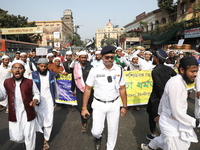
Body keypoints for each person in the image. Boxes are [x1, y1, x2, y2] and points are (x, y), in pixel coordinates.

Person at [141, 56, 199, 150]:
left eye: (196, 71)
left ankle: (148, 147)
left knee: (163, 140)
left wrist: (160, 114)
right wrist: (196, 122)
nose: (195, 74)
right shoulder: (176, 84)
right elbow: (176, 112)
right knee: (173, 144)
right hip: (172, 125)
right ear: (182, 70)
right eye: (192, 71)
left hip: (173, 121)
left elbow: (164, 99)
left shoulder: (180, 81)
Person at [81, 45, 127, 150]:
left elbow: (122, 88)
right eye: (107, 57)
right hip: (98, 104)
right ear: (102, 57)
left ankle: (110, 148)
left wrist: (124, 106)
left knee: (113, 131)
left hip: (114, 104)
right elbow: (88, 89)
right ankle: (98, 137)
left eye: (112, 57)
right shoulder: (95, 70)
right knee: (95, 131)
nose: (110, 59)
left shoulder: (119, 70)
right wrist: (84, 108)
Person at [0, 60, 41, 150]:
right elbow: (2, 96)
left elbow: (37, 93)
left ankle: (29, 147)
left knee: (29, 135)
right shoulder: (6, 82)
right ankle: (25, 143)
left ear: (24, 70)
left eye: (20, 68)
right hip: (14, 113)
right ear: (11, 70)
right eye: (15, 68)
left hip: (28, 113)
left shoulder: (30, 82)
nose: (17, 70)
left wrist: (35, 100)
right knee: (16, 137)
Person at [146, 50, 177, 141]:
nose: (153, 58)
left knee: (153, 116)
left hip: (157, 97)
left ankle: (154, 135)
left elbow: (159, 86)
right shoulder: (169, 69)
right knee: (164, 115)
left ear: (157, 59)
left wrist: (163, 97)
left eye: (154, 57)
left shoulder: (155, 71)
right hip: (165, 96)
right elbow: (176, 78)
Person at [30, 58, 58, 150]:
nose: (43, 68)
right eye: (41, 66)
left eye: (45, 66)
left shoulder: (50, 74)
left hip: (49, 100)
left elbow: (55, 87)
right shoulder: (33, 75)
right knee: (37, 120)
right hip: (36, 100)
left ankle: (46, 140)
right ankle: (32, 139)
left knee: (49, 120)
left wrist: (56, 99)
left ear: (47, 66)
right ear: (38, 66)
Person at [71, 51, 94, 133]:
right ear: (79, 58)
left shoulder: (91, 67)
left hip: (90, 90)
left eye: (85, 57)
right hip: (79, 91)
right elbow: (73, 79)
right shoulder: (76, 67)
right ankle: (84, 123)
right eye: (82, 57)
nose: (83, 59)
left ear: (87, 58)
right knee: (81, 107)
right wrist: (72, 89)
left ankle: (91, 118)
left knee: (91, 106)